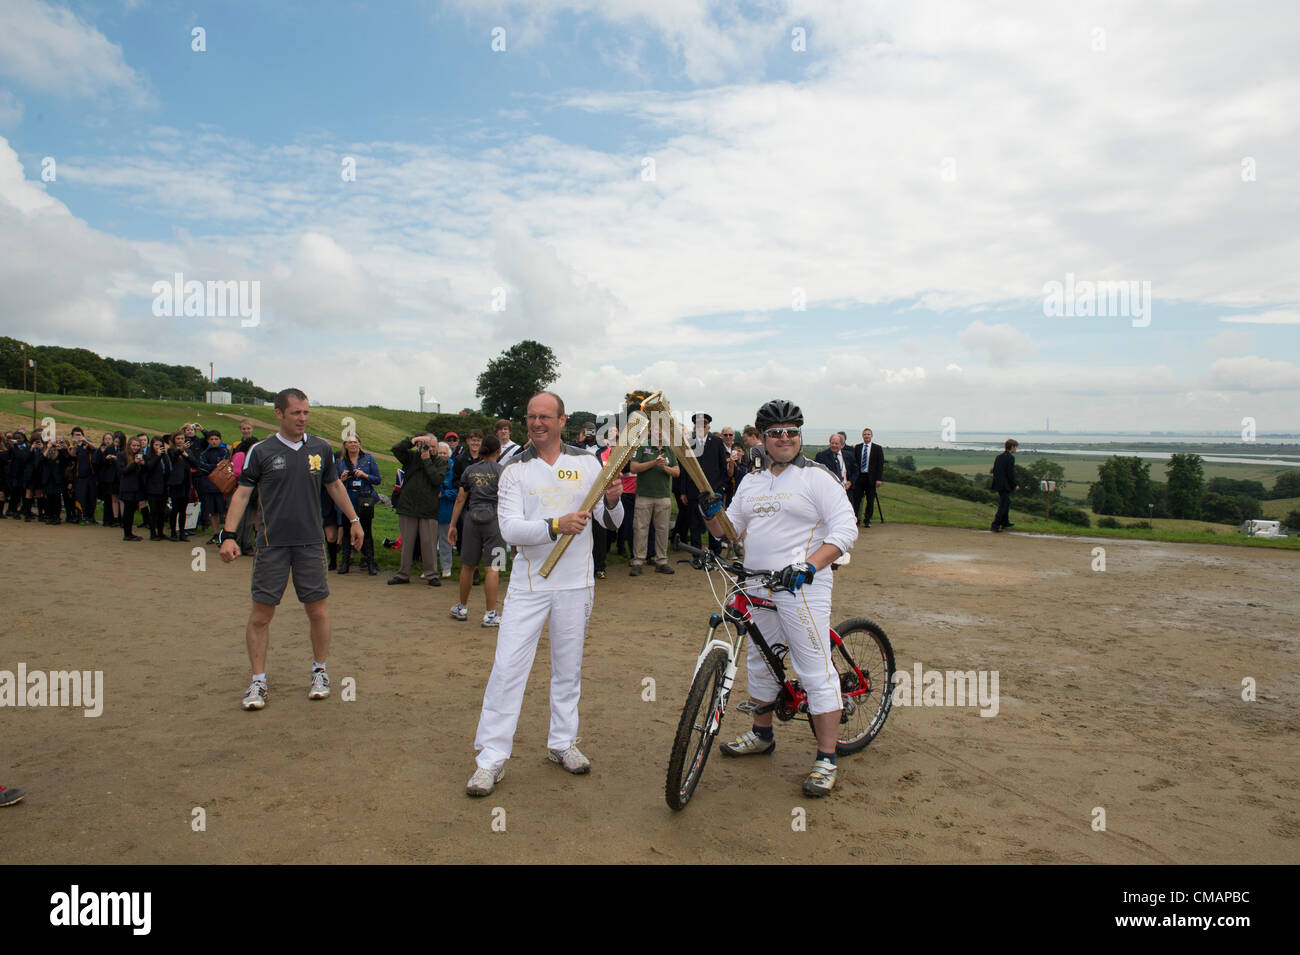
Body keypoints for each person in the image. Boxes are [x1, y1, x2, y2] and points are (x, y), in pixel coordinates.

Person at [466, 391, 623, 797]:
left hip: (576, 584)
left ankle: (562, 742)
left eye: (545, 417)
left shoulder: (588, 462)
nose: (537, 424)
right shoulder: (514, 469)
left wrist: (612, 499)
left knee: (567, 669)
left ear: (561, 419)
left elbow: (609, 522)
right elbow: (510, 530)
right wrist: (556, 525)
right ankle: (491, 759)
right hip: (530, 584)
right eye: (531, 417)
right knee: (507, 669)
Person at [700, 399, 858, 797]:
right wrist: (710, 514)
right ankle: (762, 733)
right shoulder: (752, 482)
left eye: (791, 431)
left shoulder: (817, 478)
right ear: (764, 439)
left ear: (800, 436)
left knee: (812, 668)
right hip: (756, 583)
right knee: (761, 659)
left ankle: (826, 758)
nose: (784, 438)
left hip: (801, 585)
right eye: (775, 433)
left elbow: (845, 529)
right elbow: (728, 532)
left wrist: (810, 566)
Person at [219, 388, 364, 711]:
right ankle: (258, 681)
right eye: (296, 412)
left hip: (311, 543)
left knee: (317, 610)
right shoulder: (261, 451)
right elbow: (242, 494)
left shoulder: (320, 449)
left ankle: (320, 671)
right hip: (272, 545)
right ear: (279, 414)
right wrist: (228, 535)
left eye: (306, 412)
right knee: (262, 614)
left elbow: (334, 485)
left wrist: (354, 520)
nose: (302, 418)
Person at [448, 434, 504, 626]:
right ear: (499, 451)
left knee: (468, 565)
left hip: (472, 520)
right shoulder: (503, 471)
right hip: (495, 522)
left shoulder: (470, 470)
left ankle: (462, 608)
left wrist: (453, 525)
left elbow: (460, 499)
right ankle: (490, 614)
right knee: (494, 567)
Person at [388, 431, 449, 586]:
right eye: (427, 445)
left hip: (428, 508)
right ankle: (403, 574)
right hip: (408, 506)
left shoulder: (442, 462)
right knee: (407, 543)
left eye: (433, 446)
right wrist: (412, 440)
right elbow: (396, 449)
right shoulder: (411, 458)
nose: (430, 449)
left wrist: (427, 460)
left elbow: (436, 479)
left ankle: (431, 575)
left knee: (428, 543)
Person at [628, 418, 678, 576]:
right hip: (644, 495)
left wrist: (664, 467)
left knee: (662, 530)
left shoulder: (669, 449)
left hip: (663, 496)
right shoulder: (643, 446)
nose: (660, 434)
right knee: (640, 529)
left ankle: (661, 561)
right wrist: (653, 463)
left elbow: (676, 472)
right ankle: (638, 561)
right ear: (651, 432)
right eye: (657, 430)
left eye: (663, 431)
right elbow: (633, 468)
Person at [335, 435, 381, 575]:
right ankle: (345, 563)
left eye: (355, 442)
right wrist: (342, 479)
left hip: (364, 499)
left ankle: (370, 563)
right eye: (350, 442)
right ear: (345, 445)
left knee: (367, 531)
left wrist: (364, 475)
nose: (353, 445)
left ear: (360, 444)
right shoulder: (341, 461)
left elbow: (377, 479)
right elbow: (334, 483)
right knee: (347, 532)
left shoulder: (368, 459)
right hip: (347, 499)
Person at [852, 427, 885, 526]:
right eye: (865, 434)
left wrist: (879, 479)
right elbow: (854, 463)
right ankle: (856, 519)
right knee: (856, 499)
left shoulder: (877, 448)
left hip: (871, 478)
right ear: (862, 436)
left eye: (868, 434)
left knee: (870, 500)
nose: (866, 436)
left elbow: (880, 464)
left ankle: (867, 520)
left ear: (871, 436)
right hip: (859, 477)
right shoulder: (857, 447)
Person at [815, 430, 858, 503]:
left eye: (836, 443)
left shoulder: (849, 455)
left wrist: (850, 482)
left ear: (841, 445)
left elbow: (855, 471)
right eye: (832, 443)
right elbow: (816, 473)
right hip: (829, 493)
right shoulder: (821, 456)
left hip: (846, 492)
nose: (834, 445)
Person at [435, 441, 457, 579]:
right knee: (429, 540)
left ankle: (446, 567)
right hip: (430, 509)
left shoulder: (453, 468)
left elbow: (455, 490)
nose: (442, 455)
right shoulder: (432, 465)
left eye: (444, 453)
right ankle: (430, 568)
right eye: (439, 453)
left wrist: (443, 494)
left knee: (445, 540)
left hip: (446, 509)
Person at [117, 436, 145, 541]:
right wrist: (135, 463)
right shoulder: (122, 455)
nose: (135, 447)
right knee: (128, 510)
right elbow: (124, 471)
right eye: (134, 445)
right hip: (127, 487)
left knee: (132, 510)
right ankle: (127, 533)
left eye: (138, 446)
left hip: (137, 487)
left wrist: (143, 463)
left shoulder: (140, 455)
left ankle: (130, 532)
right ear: (129, 445)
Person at [991, 438, 1020, 532]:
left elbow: (995, 470)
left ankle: (1005, 522)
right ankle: (995, 525)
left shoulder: (999, 457)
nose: (1015, 449)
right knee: (1004, 504)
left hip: (998, 483)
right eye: (1015, 447)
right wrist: (1014, 484)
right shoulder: (1011, 457)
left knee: (1006, 503)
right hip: (1005, 484)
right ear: (1012, 447)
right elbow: (1010, 473)